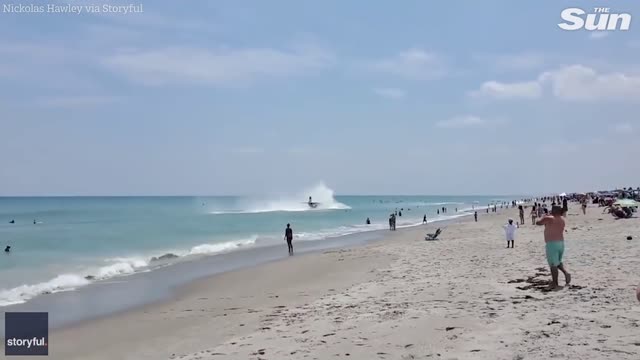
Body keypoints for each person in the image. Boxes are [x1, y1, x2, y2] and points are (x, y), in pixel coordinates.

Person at [536, 206, 571, 290]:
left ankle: (555, 283)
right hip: (561, 243)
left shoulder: (550, 218)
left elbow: (538, 223)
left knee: (553, 264)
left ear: (555, 211)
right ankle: (566, 273)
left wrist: (544, 216)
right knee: (557, 262)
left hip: (552, 243)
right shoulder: (562, 219)